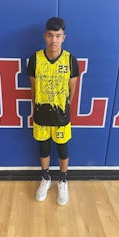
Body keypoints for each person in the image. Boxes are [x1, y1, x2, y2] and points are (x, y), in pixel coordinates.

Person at [26, 17, 79, 205]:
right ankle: (46, 178)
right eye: (50, 35)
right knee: (43, 147)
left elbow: (73, 90)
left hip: (61, 116)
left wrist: (63, 108)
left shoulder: (70, 60)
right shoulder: (35, 58)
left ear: (64, 37)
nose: (53, 40)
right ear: (44, 36)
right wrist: (37, 108)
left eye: (58, 36)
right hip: (41, 114)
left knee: (63, 149)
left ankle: (63, 180)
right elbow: (33, 89)